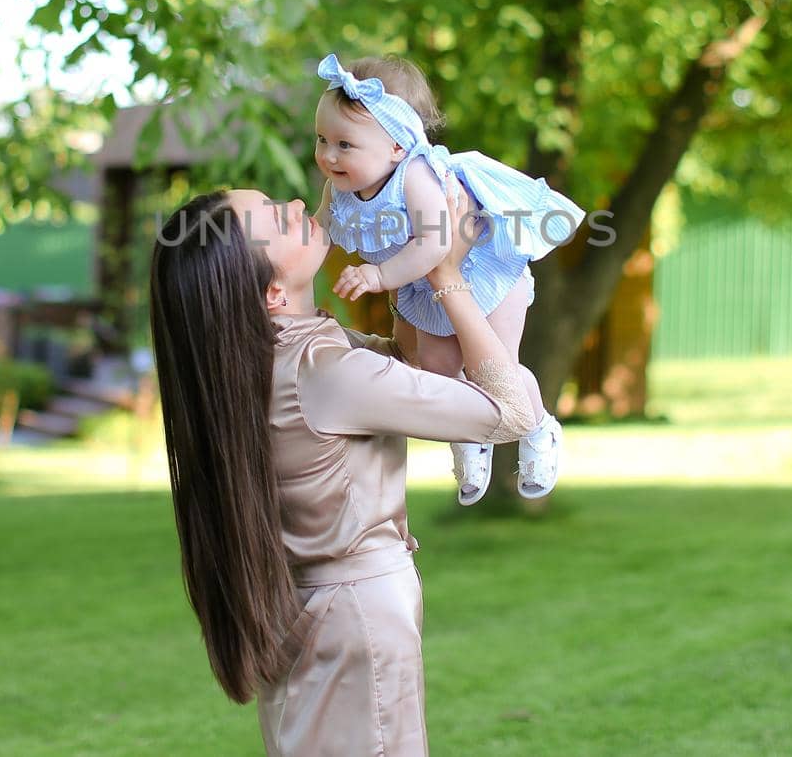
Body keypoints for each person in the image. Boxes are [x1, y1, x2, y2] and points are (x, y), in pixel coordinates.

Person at [149, 186, 538, 756]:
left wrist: (409, 255)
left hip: (318, 611)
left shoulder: (262, 362)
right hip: (354, 618)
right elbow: (509, 412)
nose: (294, 207)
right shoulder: (322, 374)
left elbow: (407, 365)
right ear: (272, 292)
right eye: (276, 220)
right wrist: (446, 273)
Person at [312, 53, 582, 504]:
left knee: (496, 368)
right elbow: (322, 228)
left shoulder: (416, 178)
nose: (328, 155)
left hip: (486, 275)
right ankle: (471, 431)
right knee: (437, 367)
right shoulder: (339, 188)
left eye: (345, 145)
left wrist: (378, 274)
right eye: (322, 140)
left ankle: (538, 428)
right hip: (423, 286)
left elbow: (436, 246)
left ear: (397, 147)